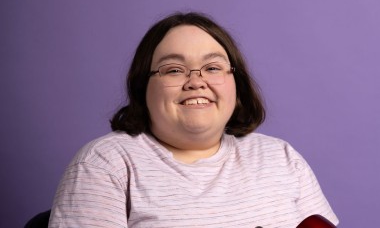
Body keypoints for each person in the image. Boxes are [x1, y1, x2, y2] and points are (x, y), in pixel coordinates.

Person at [49, 12, 339, 227]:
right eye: (174, 70)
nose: (196, 82)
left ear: (236, 84)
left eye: (213, 67)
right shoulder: (105, 164)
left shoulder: (281, 157)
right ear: (142, 87)